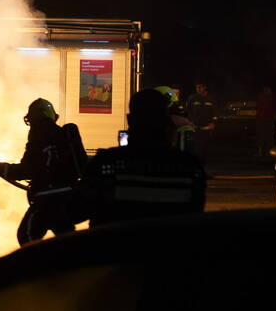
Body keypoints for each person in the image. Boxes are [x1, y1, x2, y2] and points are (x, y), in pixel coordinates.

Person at [80, 89, 207, 227]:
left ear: (130, 120)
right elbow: (195, 214)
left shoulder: (106, 162)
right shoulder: (190, 167)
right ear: (166, 122)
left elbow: (78, 209)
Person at [0, 98, 87, 245]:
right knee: (66, 237)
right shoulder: (62, 135)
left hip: (47, 200)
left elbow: (24, 171)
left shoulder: (39, 135)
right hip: (67, 197)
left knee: (27, 236)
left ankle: (39, 260)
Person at [186, 82, 216, 163]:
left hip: (207, 127)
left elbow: (215, 112)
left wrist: (213, 122)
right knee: (195, 146)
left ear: (204, 87)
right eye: (197, 87)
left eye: (200, 87)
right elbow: (188, 111)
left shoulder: (210, 98)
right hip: (195, 126)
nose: (198, 89)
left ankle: (203, 162)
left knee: (205, 146)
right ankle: (196, 162)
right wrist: (190, 121)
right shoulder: (192, 98)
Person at [256, 85, 276, 156]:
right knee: (262, 135)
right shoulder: (263, 96)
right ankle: (260, 151)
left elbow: (273, 107)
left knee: (268, 136)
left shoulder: (271, 97)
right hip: (263, 119)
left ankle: (267, 151)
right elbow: (259, 107)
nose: (269, 90)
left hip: (268, 119)